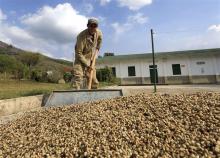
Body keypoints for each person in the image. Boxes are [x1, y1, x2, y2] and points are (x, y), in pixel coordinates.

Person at [71, 18, 102, 89]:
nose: (93, 28)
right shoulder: (81, 36)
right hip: (80, 58)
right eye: (91, 26)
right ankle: (74, 96)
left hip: (90, 58)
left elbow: (100, 40)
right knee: (78, 77)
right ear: (88, 25)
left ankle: (94, 97)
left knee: (93, 80)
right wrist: (87, 65)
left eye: (95, 26)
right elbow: (78, 53)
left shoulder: (98, 33)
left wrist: (98, 48)